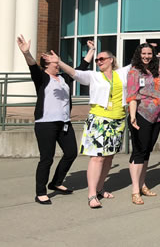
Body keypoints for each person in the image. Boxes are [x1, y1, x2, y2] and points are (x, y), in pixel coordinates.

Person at [45, 48, 130, 209]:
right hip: (98, 120)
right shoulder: (94, 76)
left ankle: (100, 188)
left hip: (118, 120)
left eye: (102, 59)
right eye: (97, 60)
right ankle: (91, 194)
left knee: (109, 157)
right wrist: (59, 62)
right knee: (97, 157)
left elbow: (139, 62)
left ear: (111, 60)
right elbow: (75, 73)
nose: (99, 62)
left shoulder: (122, 73)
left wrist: (153, 51)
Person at [17, 35, 94, 204]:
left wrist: (91, 51)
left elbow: (81, 68)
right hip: (46, 123)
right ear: (47, 64)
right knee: (47, 158)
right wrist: (26, 53)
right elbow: (32, 66)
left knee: (71, 153)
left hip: (64, 122)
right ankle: (40, 192)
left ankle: (56, 182)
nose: (57, 63)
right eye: (54, 62)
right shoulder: (42, 78)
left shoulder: (64, 79)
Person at [126, 43, 160, 205]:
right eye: (144, 53)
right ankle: (135, 191)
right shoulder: (134, 72)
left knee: (147, 152)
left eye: (150, 54)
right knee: (139, 152)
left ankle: (143, 185)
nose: (147, 56)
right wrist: (133, 116)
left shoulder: (154, 72)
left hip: (155, 118)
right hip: (141, 116)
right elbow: (132, 95)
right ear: (138, 54)